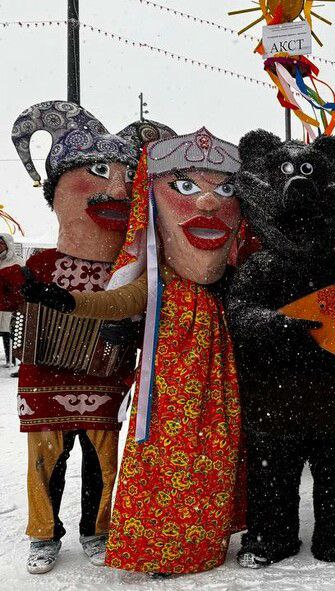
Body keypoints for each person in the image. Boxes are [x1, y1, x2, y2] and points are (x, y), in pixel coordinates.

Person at [22, 127, 248, 575]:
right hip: (161, 394)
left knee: (199, 466)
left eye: (220, 191)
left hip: (211, 393)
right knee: (150, 468)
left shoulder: (228, 285)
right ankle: (65, 536)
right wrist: (68, 301)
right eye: (186, 189)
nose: (206, 202)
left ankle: (185, 538)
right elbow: (119, 299)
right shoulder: (156, 279)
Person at [227, 130, 335, 568]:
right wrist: (277, 325)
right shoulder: (258, 267)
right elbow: (238, 313)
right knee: (271, 471)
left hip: (334, 393)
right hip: (272, 394)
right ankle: (268, 536)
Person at [1, 100, 140, 574]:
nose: (117, 187)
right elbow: (5, 295)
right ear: (57, 189)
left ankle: (97, 528)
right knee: (46, 463)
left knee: (103, 462)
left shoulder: (131, 271)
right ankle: (45, 534)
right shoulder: (39, 266)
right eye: (99, 171)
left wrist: (133, 328)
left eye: (126, 175)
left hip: (105, 378)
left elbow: (148, 313)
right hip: (45, 380)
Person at [0, 233, 24, 367]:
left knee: (11, 334)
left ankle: (12, 360)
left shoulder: (17, 262)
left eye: (1, 244)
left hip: (11, 304)